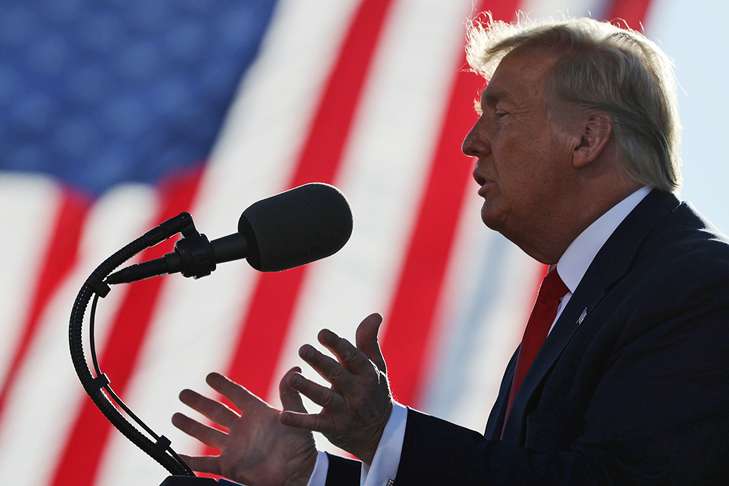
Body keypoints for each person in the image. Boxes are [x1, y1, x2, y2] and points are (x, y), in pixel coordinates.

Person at [171, 15, 729, 485]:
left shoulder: (699, 286)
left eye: (500, 114)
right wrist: (311, 474)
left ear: (587, 138)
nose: (471, 141)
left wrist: (388, 435)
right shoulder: (584, 296)